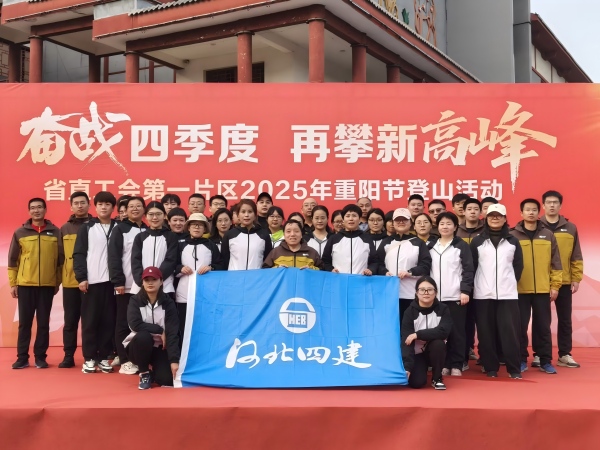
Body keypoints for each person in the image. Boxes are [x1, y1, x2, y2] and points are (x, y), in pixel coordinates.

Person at [8, 198, 63, 369]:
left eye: (39, 207)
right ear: (29, 211)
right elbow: (12, 259)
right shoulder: (20, 232)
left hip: (47, 286)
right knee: (25, 323)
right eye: (33, 208)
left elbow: (60, 261)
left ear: (45, 210)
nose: (36, 210)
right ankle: (22, 357)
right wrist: (13, 283)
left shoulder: (55, 232)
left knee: (43, 323)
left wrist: (56, 282)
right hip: (25, 285)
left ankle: (40, 357)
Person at [471, 203, 523, 379]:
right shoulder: (477, 241)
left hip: (507, 295)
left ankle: (513, 369)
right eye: (491, 215)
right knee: (485, 333)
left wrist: (508, 282)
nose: (495, 218)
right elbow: (472, 266)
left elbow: (518, 266)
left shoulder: (513, 241)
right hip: (483, 294)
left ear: (505, 219)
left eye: (498, 216)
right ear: (486, 218)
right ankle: (490, 367)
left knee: (510, 333)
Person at [510, 198, 562, 375]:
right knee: (519, 327)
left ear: (539, 212)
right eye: (527, 210)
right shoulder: (512, 236)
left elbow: (556, 262)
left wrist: (555, 286)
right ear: (521, 213)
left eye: (534, 209)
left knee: (543, 327)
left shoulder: (548, 234)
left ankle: (545, 360)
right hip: (519, 290)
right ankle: (521, 360)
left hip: (542, 289)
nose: (531, 212)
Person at [73, 191, 118, 374]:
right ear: (95, 207)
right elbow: (79, 254)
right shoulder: (87, 228)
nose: (104, 207)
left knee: (108, 321)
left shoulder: (119, 227)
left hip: (113, 282)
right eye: (100, 204)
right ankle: (89, 358)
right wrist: (82, 278)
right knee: (90, 321)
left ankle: (104, 357)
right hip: (92, 282)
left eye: (107, 204)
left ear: (113, 208)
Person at [540, 190, 583, 368]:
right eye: (548, 202)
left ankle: (564, 354)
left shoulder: (570, 227)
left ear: (560, 205)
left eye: (555, 202)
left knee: (565, 319)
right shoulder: (536, 226)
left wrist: (576, 277)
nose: (552, 205)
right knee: (542, 320)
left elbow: (576, 254)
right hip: (541, 281)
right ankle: (540, 354)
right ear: (543, 205)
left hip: (564, 281)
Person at [429, 212, 474, 377]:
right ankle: (443, 364)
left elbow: (468, 270)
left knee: (457, 333)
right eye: (442, 224)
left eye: (449, 224)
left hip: (455, 296)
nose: (445, 227)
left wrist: (465, 291)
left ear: (455, 227)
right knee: (439, 333)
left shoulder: (461, 245)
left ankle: (456, 364)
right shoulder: (430, 246)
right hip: (435, 298)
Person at [124, 267, 180, 390]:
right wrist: (159, 330)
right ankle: (144, 373)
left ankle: (154, 373)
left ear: (161, 282)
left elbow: (172, 332)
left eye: (154, 279)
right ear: (142, 283)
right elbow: (135, 324)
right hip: (138, 347)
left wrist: (174, 361)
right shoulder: (135, 300)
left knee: (167, 380)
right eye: (147, 280)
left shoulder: (168, 303)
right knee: (144, 336)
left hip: (160, 347)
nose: (150, 283)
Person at [108, 195, 147, 374]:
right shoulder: (120, 229)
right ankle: (124, 360)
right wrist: (118, 281)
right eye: (131, 206)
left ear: (144, 210)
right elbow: (114, 257)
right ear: (126, 210)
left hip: (145, 285)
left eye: (139, 206)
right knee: (123, 322)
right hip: (126, 284)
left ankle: (138, 357)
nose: (135, 209)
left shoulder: (148, 229)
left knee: (140, 322)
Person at [376, 208, 432, 318]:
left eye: (404, 219)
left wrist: (410, 272)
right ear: (393, 223)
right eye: (397, 220)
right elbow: (378, 263)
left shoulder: (418, 243)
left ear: (410, 222)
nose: (401, 222)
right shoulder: (386, 242)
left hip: (411, 294)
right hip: (389, 294)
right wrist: (384, 272)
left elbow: (425, 265)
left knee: (409, 324)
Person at [58, 191, 92, 369]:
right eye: (76, 203)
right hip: (70, 282)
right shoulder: (64, 228)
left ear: (89, 204)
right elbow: (60, 256)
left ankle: (89, 356)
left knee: (90, 322)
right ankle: (68, 355)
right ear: (71, 206)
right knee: (70, 321)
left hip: (92, 282)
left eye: (83, 202)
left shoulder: (96, 225)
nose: (80, 206)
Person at [401, 276, 452, 390]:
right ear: (416, 293)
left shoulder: (443, 309)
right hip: (417, 353)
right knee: (416, 383)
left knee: (438, 344)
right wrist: (407, 367)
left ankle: (437, 378)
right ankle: (420, 369)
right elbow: (406, 341)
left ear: (436, 292)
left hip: (435, 351)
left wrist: (418, 335)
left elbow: (443, 331)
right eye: (422, 290)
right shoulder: (409, 312)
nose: (426, 293)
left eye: (430, 289)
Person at [175, 214, 222, 336]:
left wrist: (211, 267)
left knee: (205, 324)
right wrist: (180, 268)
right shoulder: (181, 245)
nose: (197, 227)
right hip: (184, 292)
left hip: (207, 292)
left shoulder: (211, 245)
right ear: (188, 227)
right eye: (193, 225)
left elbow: (221, 265)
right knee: (184, 323)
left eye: (200, 225)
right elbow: (173, 265)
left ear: (205, 228)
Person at [455, 197, 484, 367]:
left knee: (483, 321)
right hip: (462, 284)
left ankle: (485, 356)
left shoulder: (487, 230)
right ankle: (464, 354)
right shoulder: (456, 230)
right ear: (463, 211)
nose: (472, 212)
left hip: (483, 283)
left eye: (475, 209)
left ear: (480, 212)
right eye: (469, 209)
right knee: (464, 322)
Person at [131, 202, 178, 298]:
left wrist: (157, 279)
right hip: (142, 286)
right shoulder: (140, 237)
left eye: (158, 214)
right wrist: (143, 281)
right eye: (151, 214)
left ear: (164, 216)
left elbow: (171, 260)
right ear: (145, 216)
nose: (155, 217)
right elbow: (135, 261)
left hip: (165, 285)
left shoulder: (171, 237)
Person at [322, 204, 378, 275]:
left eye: (354, 216)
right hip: (339, 280)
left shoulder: (367, 238)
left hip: (361, 280)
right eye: (348, 216)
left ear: (359, 219)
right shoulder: (334, 239)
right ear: (343, 219)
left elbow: (374, 261)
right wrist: (331, 269)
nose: (351, 219)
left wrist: (370, 270)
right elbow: (325, 261)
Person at [221, 199, 273, 270]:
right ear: (238, 215)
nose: (246, 215)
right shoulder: (229, 235)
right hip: (234, 276)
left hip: (257, 276)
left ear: (255, 215)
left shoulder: (264, 235)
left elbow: (268, 261)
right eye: (243, 212)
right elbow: (224, 260)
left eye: (250, 212)